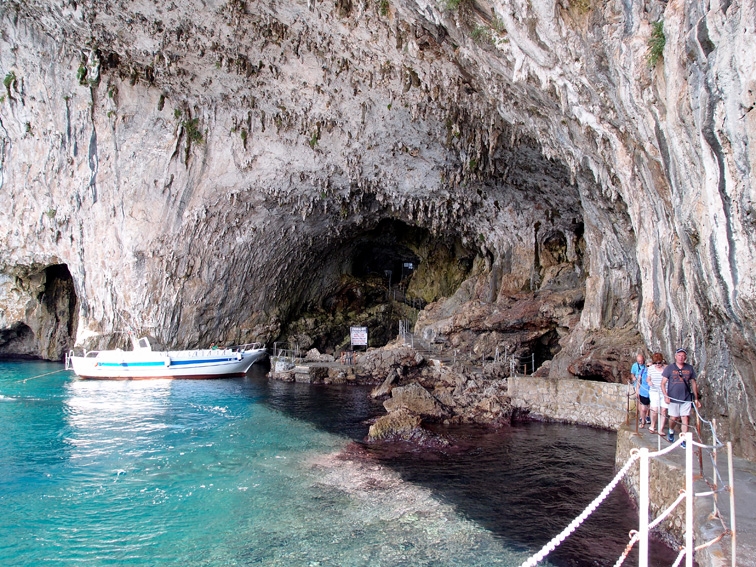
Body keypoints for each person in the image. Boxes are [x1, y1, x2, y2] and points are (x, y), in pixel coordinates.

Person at [662, 348, 701, 447]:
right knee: (674, 417)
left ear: (685, 357)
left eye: (683, 356)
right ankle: (671, 430)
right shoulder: (670, 368)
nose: (681, 357)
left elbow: (693, 383)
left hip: (686, 397)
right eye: (679, 355)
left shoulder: (689, 368)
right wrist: (666, 396)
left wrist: (696, 398)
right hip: (673, 398)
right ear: (675, 356)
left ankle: (683, 439)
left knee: (685, 418)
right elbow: (662, 383)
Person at [646, 352, 667, 434]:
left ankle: (661, 429)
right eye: (656, 363)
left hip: (664, 391)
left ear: (662, 361)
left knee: (664, 410)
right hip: (654, 391)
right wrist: (649, 382)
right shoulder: (651, 368)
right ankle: (653, 425)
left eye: (659, 362)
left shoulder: (666, 368)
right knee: (654, 409)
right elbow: (648, 378)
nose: (658, 364)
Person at [631, 353, 650, 427]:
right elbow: (632, 373)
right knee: (639, 401)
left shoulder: (647, 365)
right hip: (638, 385)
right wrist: (633, 378)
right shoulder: (635, 366)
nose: (641, 362)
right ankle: (641, 416)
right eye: (639, 361)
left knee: (649, 403)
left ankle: (647, 416)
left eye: (641, 361)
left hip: (647, 387)